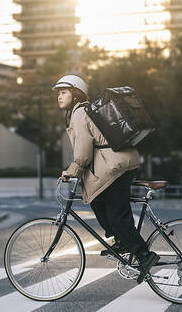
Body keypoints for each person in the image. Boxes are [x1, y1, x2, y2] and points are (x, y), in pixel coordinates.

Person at [54, 74, 159, 284]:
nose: (59, 96)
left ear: (76, 95)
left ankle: (145, 256)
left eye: (63, 92)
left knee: (117, 216)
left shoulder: (80, 113)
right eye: (58, 93)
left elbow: (83, 153)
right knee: (95, 199)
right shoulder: (83, 111)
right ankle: (120, 240)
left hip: (115, 167)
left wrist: (72, 171)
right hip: (116, 165)